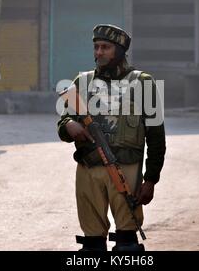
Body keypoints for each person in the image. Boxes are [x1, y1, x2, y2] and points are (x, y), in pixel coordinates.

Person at [57, 24, 166, 251]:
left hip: (127, 171)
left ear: (119, 50)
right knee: (92, 246)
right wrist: (69, 125)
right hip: (89, 169)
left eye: (105, 47)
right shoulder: (83, 82)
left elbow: (156, 136)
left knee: (128, 245)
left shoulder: (142, 82)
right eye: (96, 47)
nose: (98, 52)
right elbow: (63, 122)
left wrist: (151, 179)